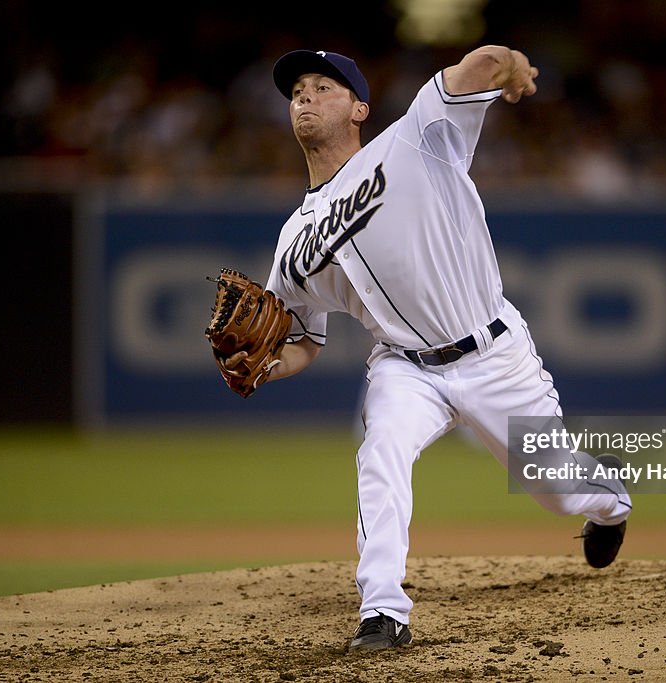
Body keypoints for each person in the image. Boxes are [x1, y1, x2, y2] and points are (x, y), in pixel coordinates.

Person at [225, 46, 632, 651]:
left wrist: (512, 66)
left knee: (555, 490)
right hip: (402, 367)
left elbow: (479, 65)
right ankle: (382, 612)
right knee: (380, 450)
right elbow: (305, 340)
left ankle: (610, 501)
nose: (304, 96)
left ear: (360, 107)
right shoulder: (294, 240)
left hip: (494, 355)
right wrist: (262, 369)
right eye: (297, 91)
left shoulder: (414, 138)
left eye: (322, 87)